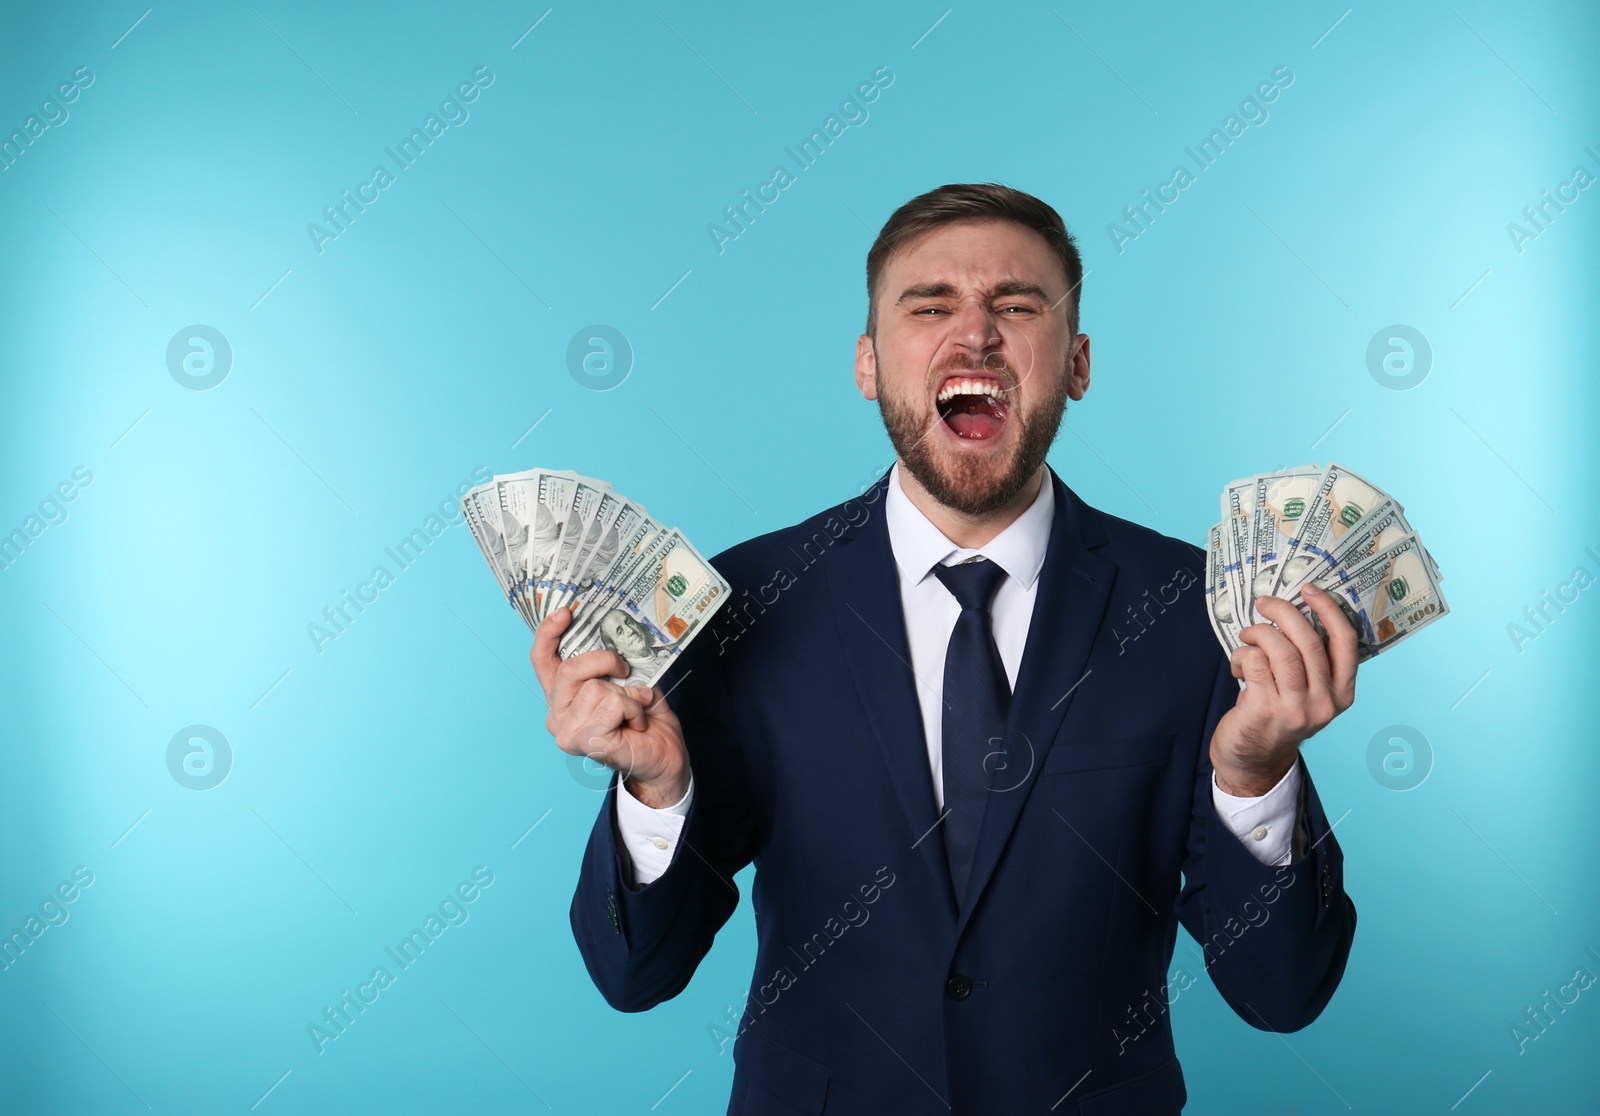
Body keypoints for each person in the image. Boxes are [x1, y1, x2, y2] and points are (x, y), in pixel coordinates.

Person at [531, 183, 1358, 1115]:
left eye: (1017, 305)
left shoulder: (1196, 613)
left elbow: (1283, 993)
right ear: (869, 364)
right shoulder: (744, 605)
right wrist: (656, 791)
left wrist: (1256, 776)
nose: (976, 335)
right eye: (930, 307)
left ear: (1077, 364)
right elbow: (635, 974)